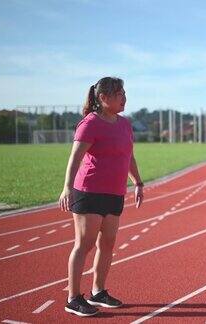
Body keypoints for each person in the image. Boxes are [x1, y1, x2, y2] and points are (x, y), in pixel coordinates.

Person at [59, 77, 144, 317]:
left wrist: (137, 182)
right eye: (119, 94)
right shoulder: (90, 123)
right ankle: (73, 298)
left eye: (125, 93)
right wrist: (67, 187)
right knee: (84, 244)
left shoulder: (125, 124)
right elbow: (74, 158)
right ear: (103, 98)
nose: (124, 98)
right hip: (89, 191)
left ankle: (98, 292)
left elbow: (129, 157)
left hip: (115, 192)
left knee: (107, 243)